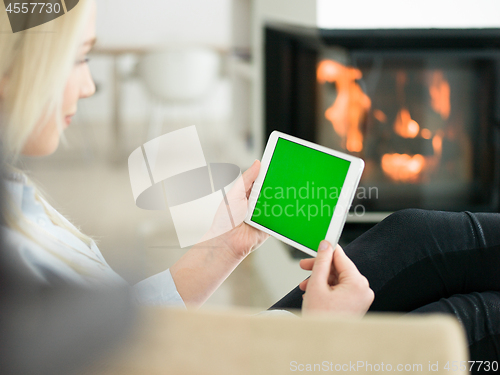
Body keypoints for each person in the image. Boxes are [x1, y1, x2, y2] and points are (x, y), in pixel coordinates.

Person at [0, 0, 371, 316]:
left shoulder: (17, 203)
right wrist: (324, 338)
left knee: (416, 231)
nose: (89, 86)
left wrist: (225, 244)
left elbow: (132, 325)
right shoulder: (15, 267)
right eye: (79, 57)